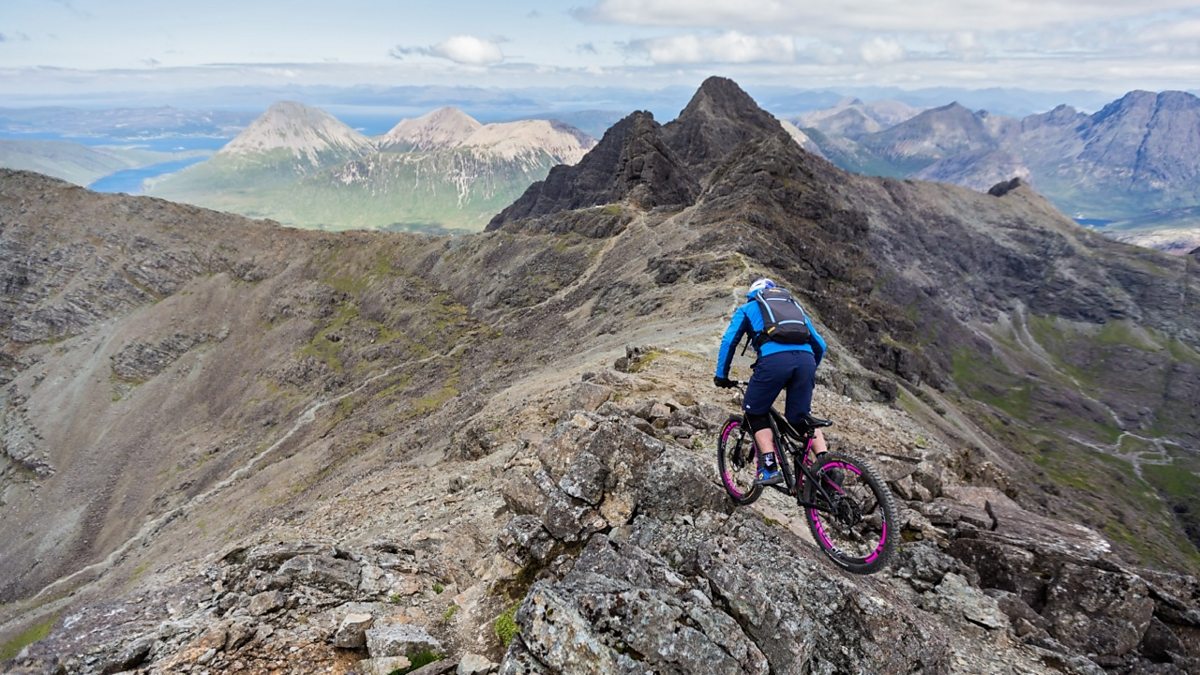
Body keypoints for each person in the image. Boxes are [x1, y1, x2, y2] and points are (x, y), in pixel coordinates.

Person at [714, 278, 828, 485]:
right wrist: (808, 369)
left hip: (774, 363)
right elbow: (820, 344)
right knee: (800, 418)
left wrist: (721, 376)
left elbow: (729, 341)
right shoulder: (793, 308)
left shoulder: (748, 308)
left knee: (755, 412)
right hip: (806, 361)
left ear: (753, 295)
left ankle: (769, 468)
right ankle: (827, 464)